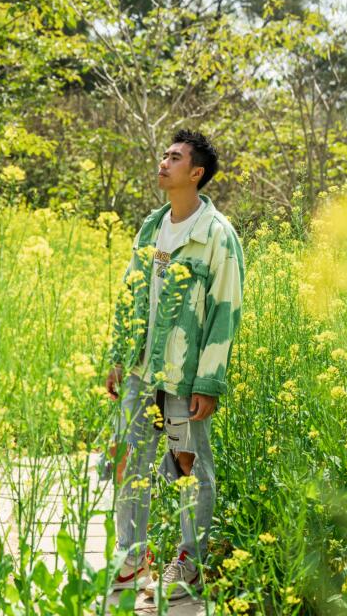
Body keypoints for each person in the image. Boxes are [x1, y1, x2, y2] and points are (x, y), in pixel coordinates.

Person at [105, 129, 245, 600]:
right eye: (164, 154)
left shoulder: (217, 235)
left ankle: (190, 562)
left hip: (185, 378)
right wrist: (118, 356)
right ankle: (132, 559)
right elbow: (130, 292)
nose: (163, 162)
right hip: (142, 370)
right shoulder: (152, 226)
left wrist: (209, 380)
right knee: (129, 460)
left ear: (196, 172)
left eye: (175, 157)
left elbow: (226, 311)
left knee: (188, 466)